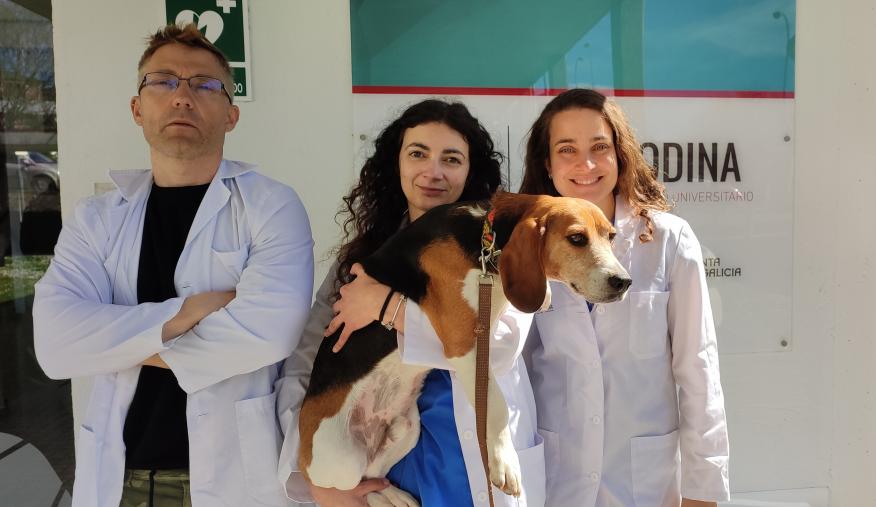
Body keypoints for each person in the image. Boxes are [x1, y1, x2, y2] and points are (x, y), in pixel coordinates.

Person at [32, 24, 313, 507]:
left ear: (231, 115)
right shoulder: (97, 220)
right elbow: (56, 344)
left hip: (235, 478)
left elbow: (270, 332)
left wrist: (112, 342)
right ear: (137, 109)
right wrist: (188, 312)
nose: (183, 96)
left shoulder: (271, 207)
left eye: (205, 85)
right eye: (163, 81)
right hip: (120, 475)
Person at [276, 99, 545, 507]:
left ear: (470, 170)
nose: (433, 172)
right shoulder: (360, 259)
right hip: (388, 469)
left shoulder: (501, 247)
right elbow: (306, 363)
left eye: (451, 159)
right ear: (396, 163)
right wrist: (318, 477)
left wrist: (387, 308)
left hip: (468, 467)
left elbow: (499, 347)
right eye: (418, 153)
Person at [519, 89, 730, 507]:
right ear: (547, 163)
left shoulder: (668, 240)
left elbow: (698, 368)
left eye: (600, 147)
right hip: (556, 482)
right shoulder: (528, 243)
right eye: (567, 150)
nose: (587, 164)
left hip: (645, 484)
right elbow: (514, 371)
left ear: (620, 154)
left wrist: (703, 489)